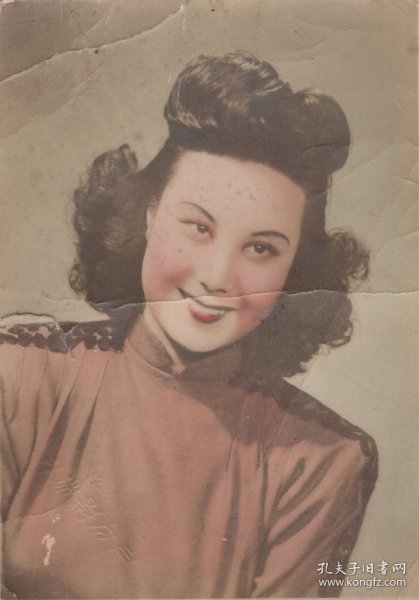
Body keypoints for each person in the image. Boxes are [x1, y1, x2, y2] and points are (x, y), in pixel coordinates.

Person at [0, 52, 377, 598]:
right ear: (149, 214)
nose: (217, 277)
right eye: (198, 227)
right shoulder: (22, 374)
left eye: (261, 248)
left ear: (295, 273)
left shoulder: (322, 460)